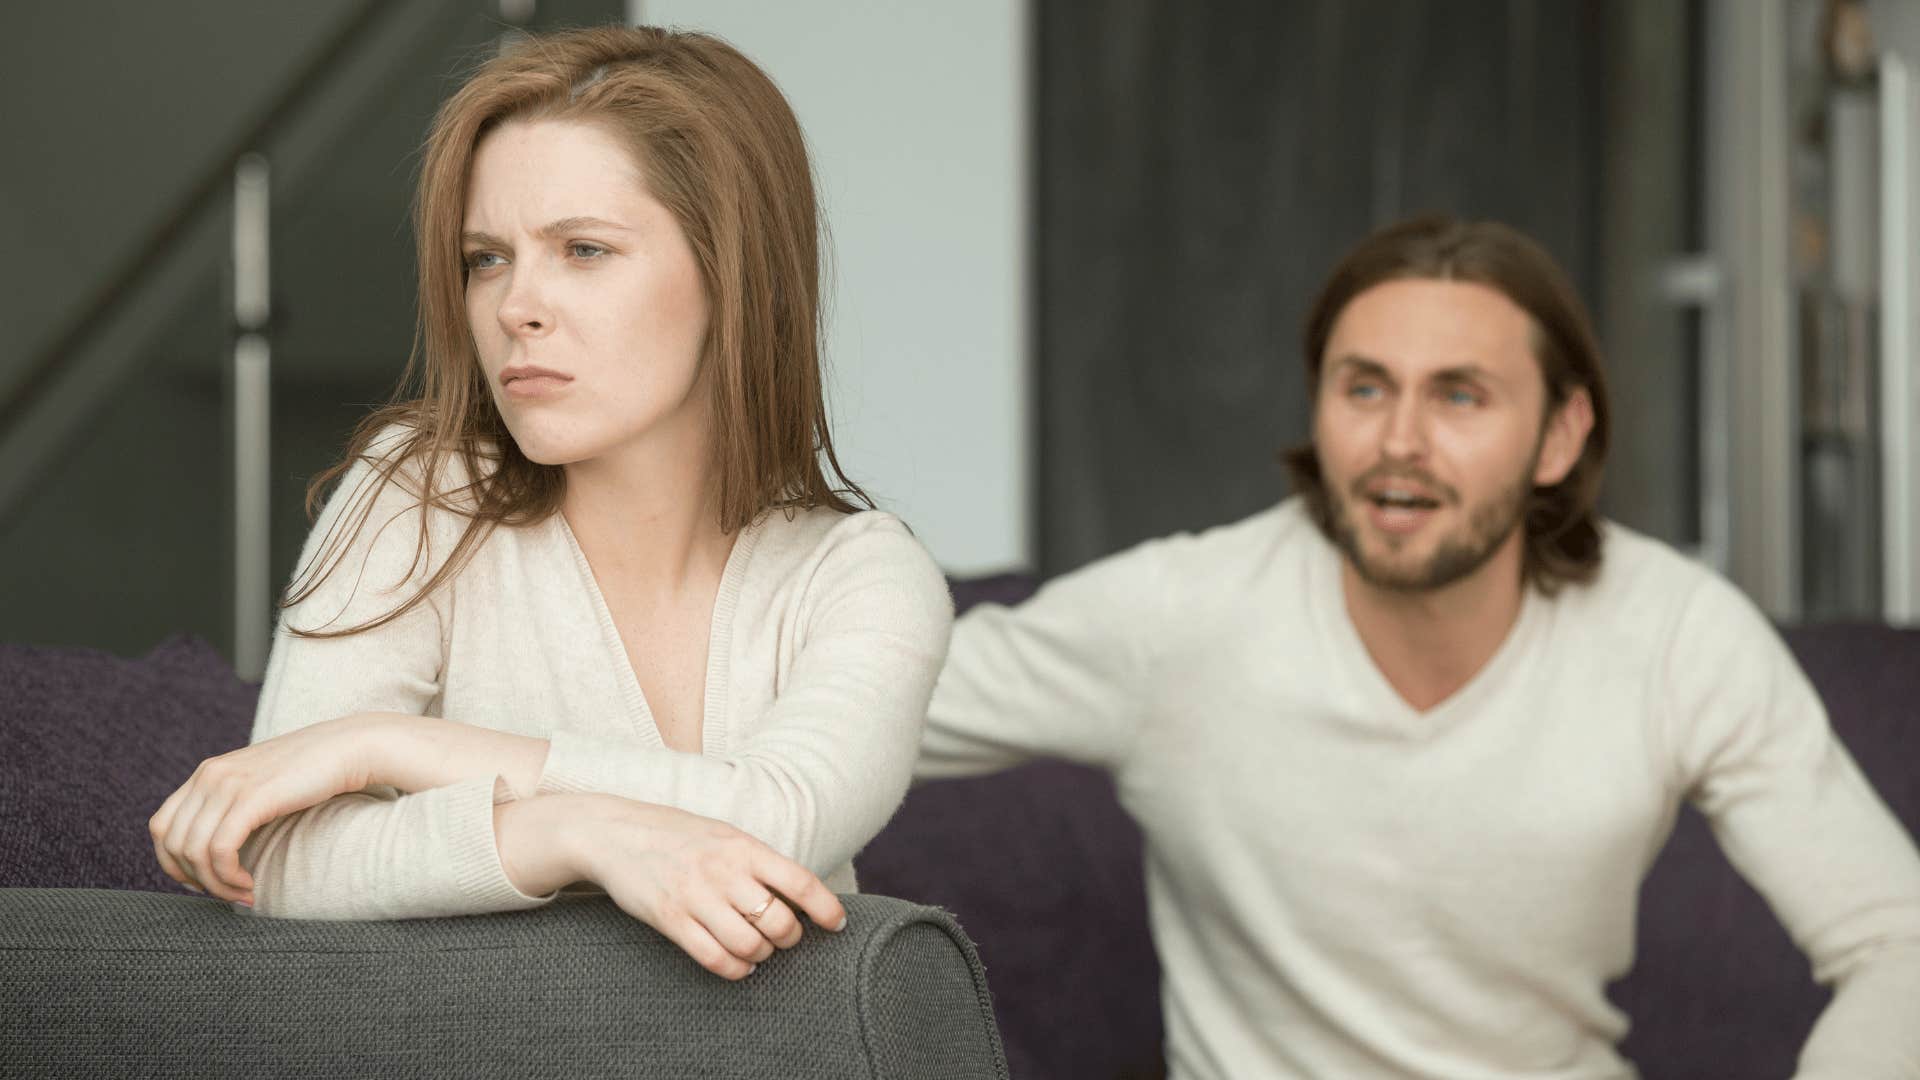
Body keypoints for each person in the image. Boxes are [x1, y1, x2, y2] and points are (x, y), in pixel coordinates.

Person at [918, 216, 1920, 1076]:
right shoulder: (1178, 616)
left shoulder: (1675, 634)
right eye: (1364, 388)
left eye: (1460, 395)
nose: (1400, 439)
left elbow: (1896, 940)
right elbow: (866, 704)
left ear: (1562, 436)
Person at [146, 25, 953, 981]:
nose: (515, 306)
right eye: (487, 258)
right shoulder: (412, 498)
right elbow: (273, 857)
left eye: (582, 249)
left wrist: (384, 745)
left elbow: (772, 821)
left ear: (732, 278)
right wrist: (571, 832)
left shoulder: (864, 576)